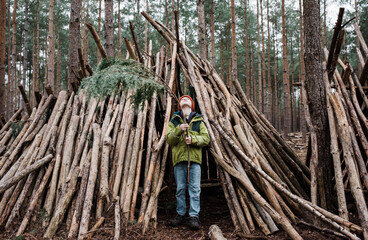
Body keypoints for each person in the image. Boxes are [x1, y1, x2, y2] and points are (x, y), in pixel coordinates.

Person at [166, 95, 210, 230]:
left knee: (195, 189)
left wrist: (194, 139)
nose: (184, 99)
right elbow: (169, 139)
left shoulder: (198, 121)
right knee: (180, 189)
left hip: (195, 160)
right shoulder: (174, 121)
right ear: (179, 105)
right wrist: (179, 129)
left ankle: (194, 216)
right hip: (179, 160)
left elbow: (206, 139)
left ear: (191, 104)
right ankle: (180, 213)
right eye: (182, 99)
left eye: (187, 99)